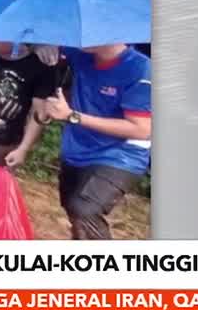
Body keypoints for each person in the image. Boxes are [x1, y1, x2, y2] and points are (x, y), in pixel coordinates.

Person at [44, 42, 151, 240]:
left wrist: (72, 116)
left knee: (85, 209)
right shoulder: (82, 53)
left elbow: (142, 129)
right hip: (78, 150)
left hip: (121, 154)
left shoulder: (140, 69)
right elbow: (44, 36)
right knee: (75, 214)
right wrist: (41, 47)